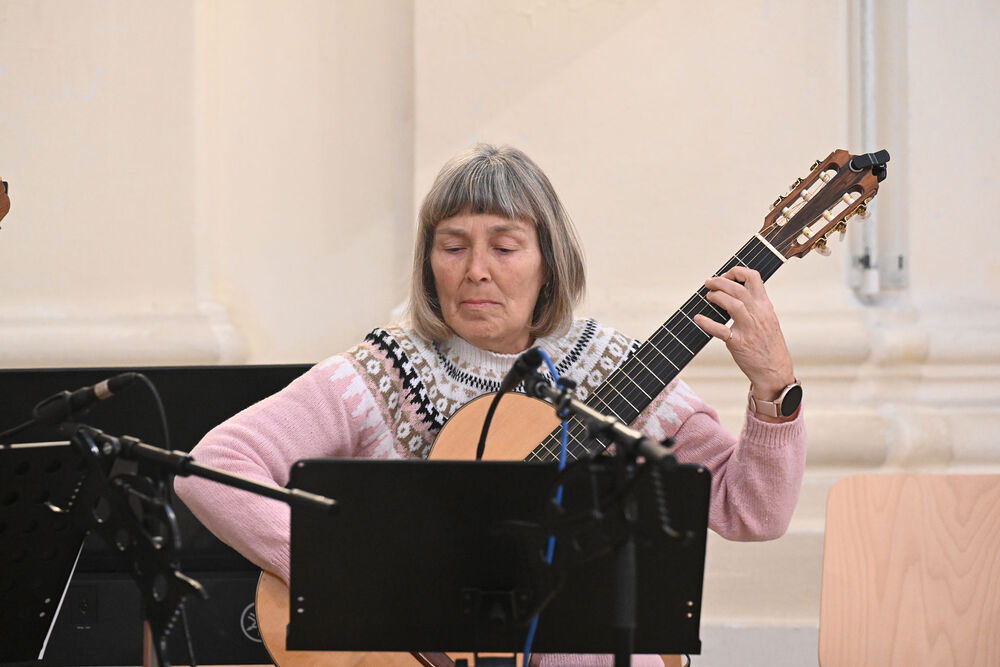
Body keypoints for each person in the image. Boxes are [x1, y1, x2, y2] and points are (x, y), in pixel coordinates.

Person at [174, 145, 806, 666]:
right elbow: (212, 467)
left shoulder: (618, 372)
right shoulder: (384, 370)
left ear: (548, 265)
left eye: (504, 248)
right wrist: (350, 576)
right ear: (429, 265)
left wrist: (774, 390)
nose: (476, 270)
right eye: (453, 247)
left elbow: (752, 512)